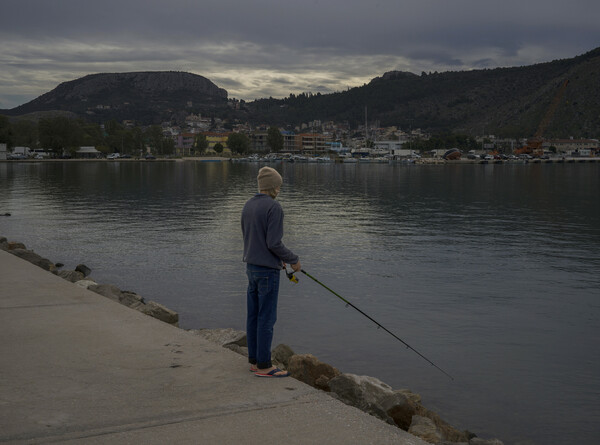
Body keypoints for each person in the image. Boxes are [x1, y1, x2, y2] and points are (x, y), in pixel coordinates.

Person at [241, 166, 301, 378]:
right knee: (266, 318)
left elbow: (251, 239)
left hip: (251, 269)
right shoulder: (274, 208)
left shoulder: (248, 205)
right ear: (272, 186)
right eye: (278, 185)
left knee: (253, 316)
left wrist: (277, 259)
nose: (279, 189)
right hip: (267, 273)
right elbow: (273, 242)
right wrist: (292, 260)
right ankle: (265, 366)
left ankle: (255, 361)